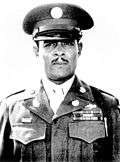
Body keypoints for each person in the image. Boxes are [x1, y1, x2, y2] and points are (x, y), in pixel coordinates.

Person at [0, 3, 120, 162]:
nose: (59, 52)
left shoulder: (106, 106)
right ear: (37, 51)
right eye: (50, 44)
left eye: (68, 43)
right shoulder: (12, 108)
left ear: (79, 49)